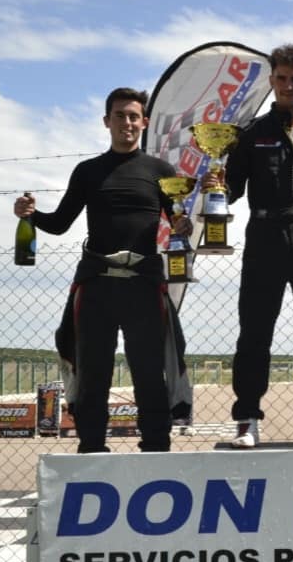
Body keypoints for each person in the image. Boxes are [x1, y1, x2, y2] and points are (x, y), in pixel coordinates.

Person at [13, 87, 191, 453]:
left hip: (144, 284)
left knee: (149, 371)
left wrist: (183, 225)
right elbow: (60, 223)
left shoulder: (161, 171)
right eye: (120, 115)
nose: (127, 122)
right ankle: (91, 448)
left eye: (133, 116)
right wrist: (31, 215)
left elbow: (177, 221)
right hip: (96, 284)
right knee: (93, 373)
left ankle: (156, 447)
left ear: (144, 122)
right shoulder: (88, 171)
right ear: (106, 121)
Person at [201, 44, 293, 448]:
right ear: (271, 81)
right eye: (281, 79)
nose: (288, 86)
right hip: (264, 238)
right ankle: (247, 420)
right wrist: (217, 186)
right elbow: (232, 190)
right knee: (254, 335)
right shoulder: (251, 133)